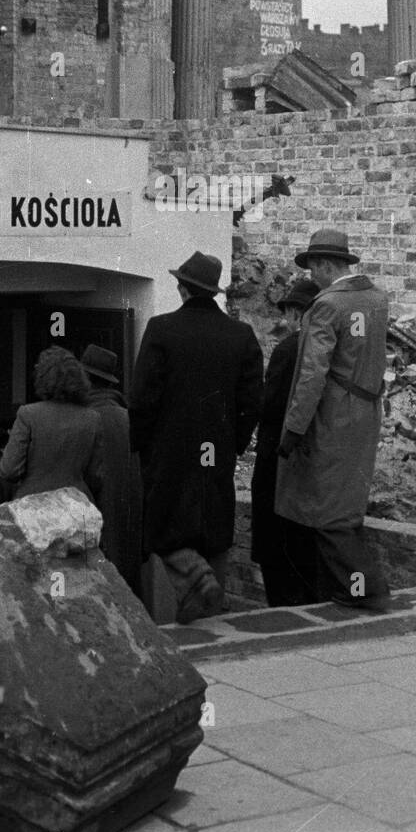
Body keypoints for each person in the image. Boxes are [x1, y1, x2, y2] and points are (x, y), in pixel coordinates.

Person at [130, 251, 264, 620]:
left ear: (182, 289)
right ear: (213, 293)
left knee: (160, 527)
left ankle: (194, 580)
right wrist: (233, 442)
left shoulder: (161, 329)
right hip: (216, 450)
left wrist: (141, 445)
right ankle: (207, 614)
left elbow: (142, 398)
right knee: (213, 530)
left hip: (169, 450)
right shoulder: (241, 335)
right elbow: (253, 401)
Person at [276, 228, 391, 609]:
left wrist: (293, 428)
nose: (311, 278)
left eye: (313, 269)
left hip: (334, 416)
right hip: (365, 412)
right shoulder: (375, 298)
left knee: (327, 509)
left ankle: (364, 590)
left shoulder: (328, 305)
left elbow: (312, 374)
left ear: (327, 266)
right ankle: (353, 589)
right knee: (345, 502)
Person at [251, 277, 320, 605]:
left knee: (275, 544)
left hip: (278, 457)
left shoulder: (289, 349)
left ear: (296, 313)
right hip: (314, 460)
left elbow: (270, 405)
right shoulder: (327, 348)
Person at [0, 346, 104, 505]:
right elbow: (96, 477)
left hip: (34, 504)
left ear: (42, 378)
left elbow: (9, 469)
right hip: (76, 505)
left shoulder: (28, 414)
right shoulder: (92, 418)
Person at [80, 344, 142, 595]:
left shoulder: (85, 419)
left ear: (85, 378)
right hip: (130, 528)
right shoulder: (128, 418)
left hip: (97, 530)